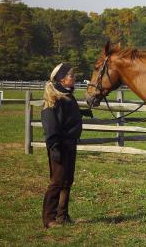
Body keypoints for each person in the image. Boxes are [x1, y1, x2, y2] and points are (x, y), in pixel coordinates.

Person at [41, 63, 93, 228]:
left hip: (70, 144)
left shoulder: (67, 96)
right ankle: (49, 219)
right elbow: (51, 124)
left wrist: (82, 113)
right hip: (59, 146)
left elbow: (67, 115)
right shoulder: (54, 98)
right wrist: (54, 147)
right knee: (56, 182)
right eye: (72, 76)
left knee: (67, 181)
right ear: (62, 79)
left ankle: (62, 216)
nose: (75, 78)